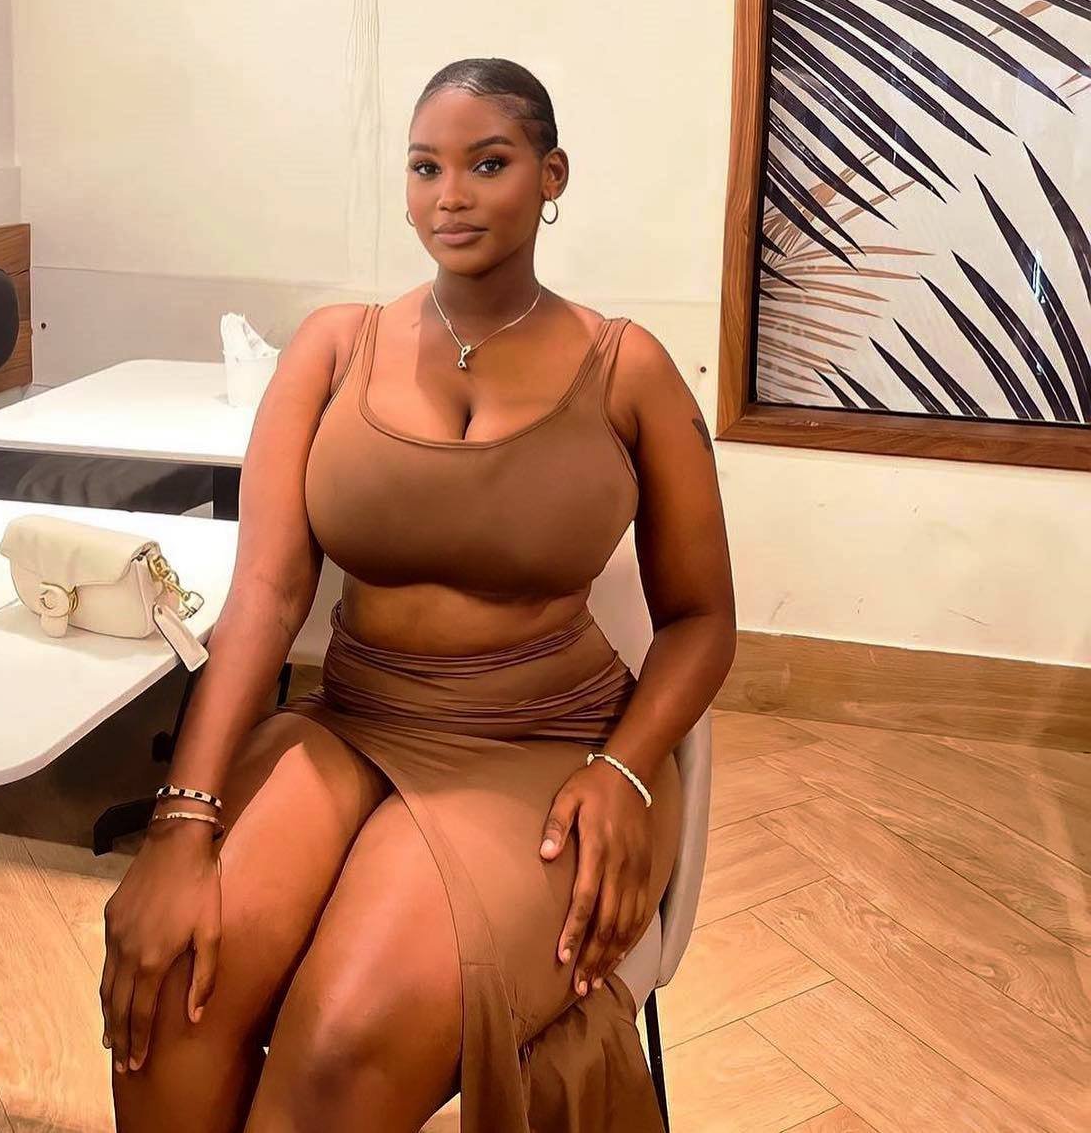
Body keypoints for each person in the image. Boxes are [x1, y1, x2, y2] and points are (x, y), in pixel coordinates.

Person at [101, 57, 736, 1133]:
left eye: (488, 163)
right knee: (170, 987)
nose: (451, 195)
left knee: (344, 1042)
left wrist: (628, 770)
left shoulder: (628, 367)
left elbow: (703, 621)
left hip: (549, 745)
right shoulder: (333, 346)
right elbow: (264, 594)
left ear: (551, 176)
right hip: (353, 723)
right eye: (425, 167)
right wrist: (181, 820)